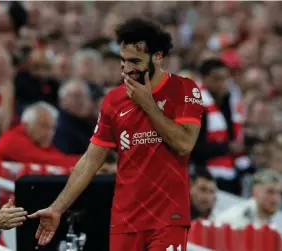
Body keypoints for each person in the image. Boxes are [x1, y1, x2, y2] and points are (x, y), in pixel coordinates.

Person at [28, 18, 204, 251]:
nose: (126, 68)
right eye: (123, 61)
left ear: (158, 57)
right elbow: (91, 160)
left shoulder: (184, 89)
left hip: (168, 216)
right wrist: (57, 207)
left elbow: (184, 144)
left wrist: (148, 105)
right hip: (126, 217)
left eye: (135, 61)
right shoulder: (113, 100)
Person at [191, 58, 251, 195]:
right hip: (205, 176)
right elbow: (193, 147)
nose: (222, 83)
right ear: (203, 79)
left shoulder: (229, 102)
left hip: (231, 173)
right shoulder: (195, 106)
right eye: (216, 79)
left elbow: (234, 136)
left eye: (225, 78)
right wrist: (227, 147)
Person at [214, 169, 282, 229]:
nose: (276, 199)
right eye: (270, 192)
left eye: (280, 193)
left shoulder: (275, 220)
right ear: (255, 192)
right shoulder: (235, 219)